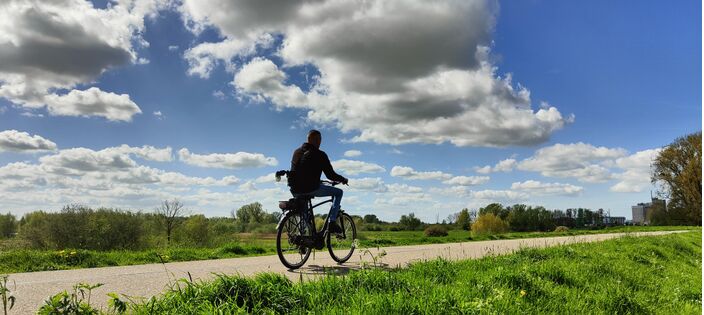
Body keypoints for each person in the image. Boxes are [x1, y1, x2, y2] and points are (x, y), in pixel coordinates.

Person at [288, 130, 348, 233]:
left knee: (304, 214)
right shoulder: (320, 154)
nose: (319, 142)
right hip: (311, 188)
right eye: (317, 139)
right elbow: (330, 175)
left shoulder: (296, 152)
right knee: (339, 192)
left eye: (320, 140)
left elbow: (300, 172)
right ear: (311, 139)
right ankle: (332, 222)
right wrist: (343, 179)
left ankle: (304, 240)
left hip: (295, 189)